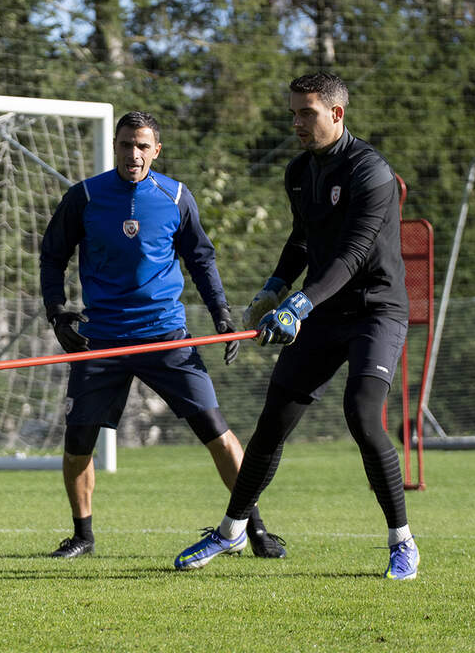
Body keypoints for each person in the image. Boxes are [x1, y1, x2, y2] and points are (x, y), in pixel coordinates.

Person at [173, 72, 419, 580]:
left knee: (361, 415)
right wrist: (272, 289)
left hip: (376, 311)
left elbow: (353, 255)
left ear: (337, 114)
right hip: (323, 312)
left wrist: (297, 304)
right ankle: (231, 531)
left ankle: (402, 541)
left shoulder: (371, 173)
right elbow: (302, 241)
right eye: (292, 113)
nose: (297, 123)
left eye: (306, 113)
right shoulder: (298, 172)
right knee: (272, 423)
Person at [39, 111, 285, 560]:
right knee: (77, 444)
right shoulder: (85, 196)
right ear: (114, 146)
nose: (132, 153)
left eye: (141, 145)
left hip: (166, 335)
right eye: (125, 144)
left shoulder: (175, 196)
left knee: (217, 432)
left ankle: (255, 527)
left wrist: (222, 317)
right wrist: (57, 313)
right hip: (102, 338)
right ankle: (83, 535)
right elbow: (52, 256)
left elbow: (202, 260)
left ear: (156, 150)